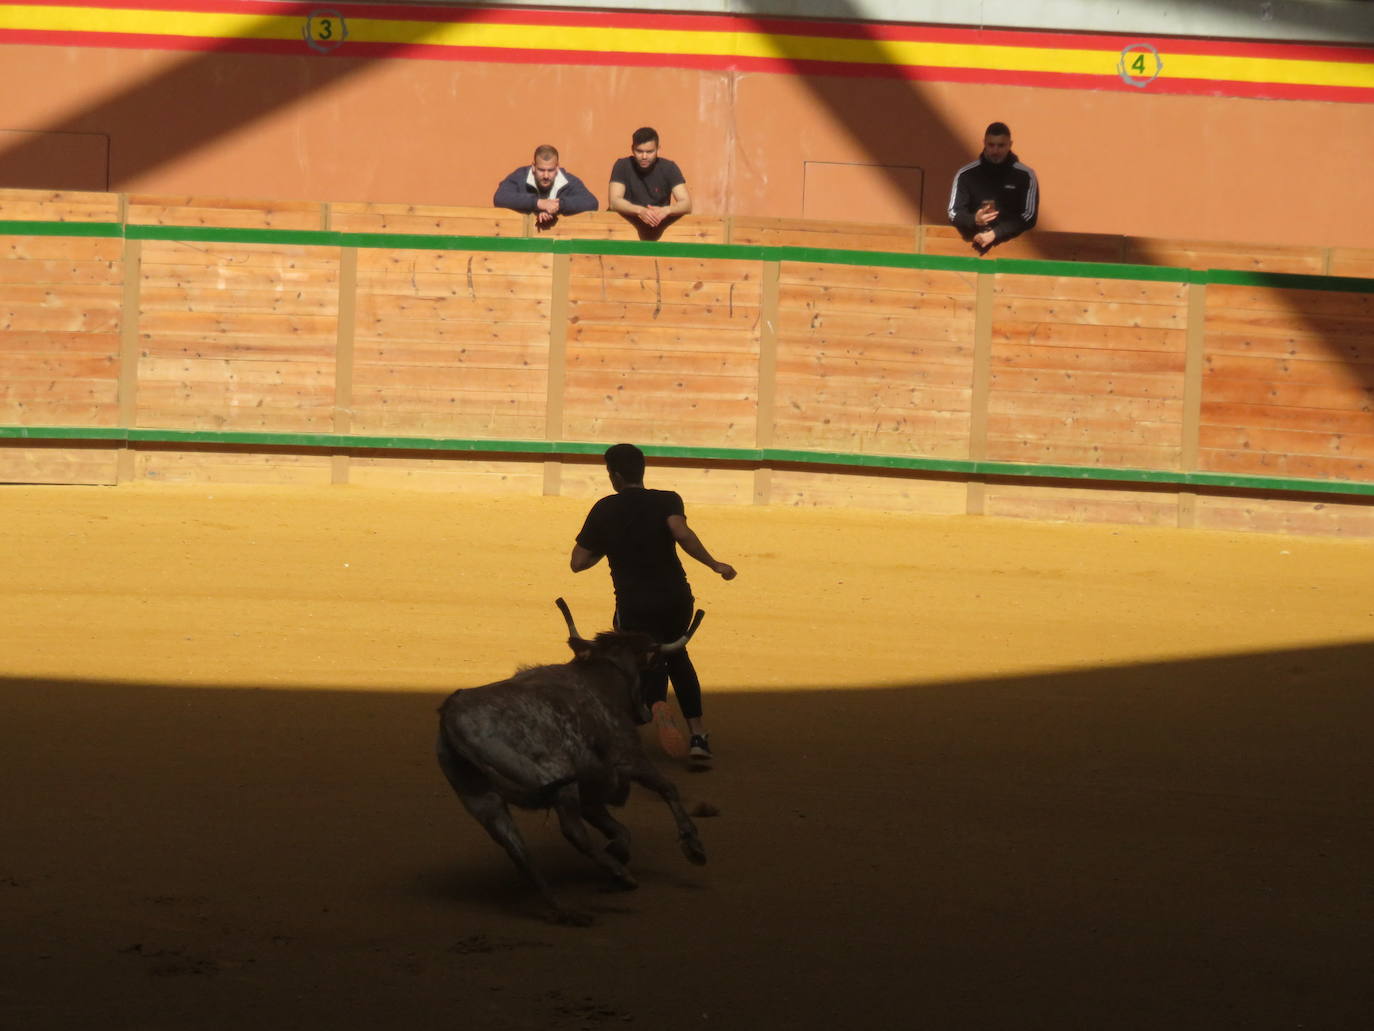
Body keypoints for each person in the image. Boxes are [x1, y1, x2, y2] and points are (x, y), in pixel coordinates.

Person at [570, 443, 736, 762]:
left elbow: (578, 562)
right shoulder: (667, 499)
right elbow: (681, 532)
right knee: (677, 654)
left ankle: (651, 708)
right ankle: (698, 736)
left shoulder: (605, 508)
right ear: (642, 471)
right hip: (676, 598)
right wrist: (715, 564)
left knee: (637, 658)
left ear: (615, 476)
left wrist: (608, 544)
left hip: (634, 603)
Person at [947, 121, 1039, 252]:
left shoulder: (1025, 175)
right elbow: (953, 213)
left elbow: (1029, 216)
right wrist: (974, 219)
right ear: (984, 143)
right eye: (991, 145)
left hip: (1013, 249)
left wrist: (995, 233)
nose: (995, 150)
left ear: (1010, 145)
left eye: (1001, 145)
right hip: (971, 247)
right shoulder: (966, 174)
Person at [607, 127, 692, 229]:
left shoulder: (669, 168)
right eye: (639, 151)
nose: (644, 156)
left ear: (658, 150)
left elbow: (686, 204)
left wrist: (665, 211)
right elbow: (614, 202)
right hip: (623, 227)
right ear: (632, 149)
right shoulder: (622, 165)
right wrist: (640, 211)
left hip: (658, 227)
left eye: (649, 152)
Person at [493, 145, 599, 227]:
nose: (546, 176)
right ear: (533, 167)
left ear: (557, 167)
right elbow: (500, 197)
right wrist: (539, 203)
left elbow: (591, 203)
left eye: (551, 170)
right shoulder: (520, 176)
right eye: (541, 170)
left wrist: (558, 206)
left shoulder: (568, 181)